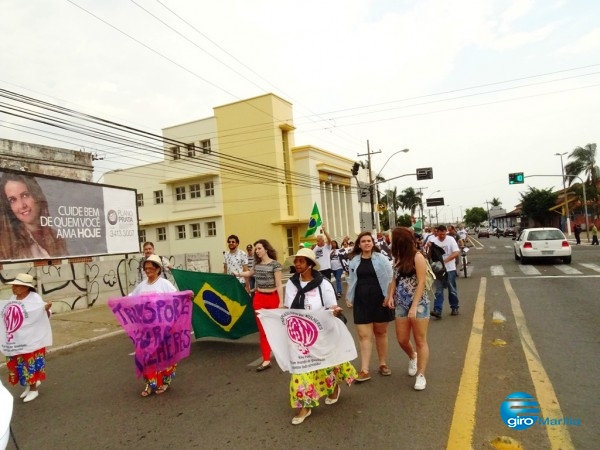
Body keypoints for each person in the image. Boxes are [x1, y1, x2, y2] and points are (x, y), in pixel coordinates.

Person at [284, 248, 357, 425]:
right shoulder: (291, 284)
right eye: (296, 261)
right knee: (301, 368)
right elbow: (289, 308)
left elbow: (332, 307)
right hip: (299, 334)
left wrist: (334, 311)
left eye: (301, 261)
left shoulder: (323, 284)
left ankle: (333, 389)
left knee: (326, 365)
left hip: (322, 332)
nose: (297, 264)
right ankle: (305, 405)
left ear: (310, 264)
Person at [345, 231, 394, 381]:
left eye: (369, 241)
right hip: (361, 301)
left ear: (373, 243)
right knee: (363, 335)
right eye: (363, 241)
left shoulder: (382, 259)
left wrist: (389, 297)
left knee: (380, 332)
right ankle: (364, 370)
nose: (366, 243)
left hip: (380, 300)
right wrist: (349, 297)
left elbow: (391, 278)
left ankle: (383, 364)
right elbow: (351, 280)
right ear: (359, 244)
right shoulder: (354, 261)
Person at [386, 228, 430, 391]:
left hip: (419, 304)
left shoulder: (418, 257)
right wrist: (391, 296)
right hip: (401, 303)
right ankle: (413, 356)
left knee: (420, 339)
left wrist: (414, 306)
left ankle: (421, 374)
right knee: (402, 339)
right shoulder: (397, 258)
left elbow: (421, 282)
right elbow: (394, 279)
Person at [130, 255, 178, 396]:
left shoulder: (164, 284)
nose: (148, 271)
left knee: (162, 355)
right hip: (146, 329)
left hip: (163, 327)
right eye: (146, 268)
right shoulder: (142, 285)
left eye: (151, 268)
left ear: (158, 269)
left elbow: (177, 298)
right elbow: (132, 298)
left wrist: (187, 295)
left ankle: (163, 382)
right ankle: (150, 384)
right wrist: (117, 302)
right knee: (147, 356)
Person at [1, 273, 52, 403]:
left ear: (26, 288)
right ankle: (30, 386)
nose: (14, 288)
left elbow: (42, 313)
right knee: (20, 364)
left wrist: (45, 309)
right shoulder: (13, 297)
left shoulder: (34, 298)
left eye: (17, 286)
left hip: (31, 339)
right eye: (14, 286)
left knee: (29, 364)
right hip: (18, 338)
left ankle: (34, 388)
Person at [234, 239, 283, 371]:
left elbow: (279, 285)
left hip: (272, 298)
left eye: (259, 248)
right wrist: (237, 273)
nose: (257, 251)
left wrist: (281, 302)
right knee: (263, 331)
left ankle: (282, 353)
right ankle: (266, 359)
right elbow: (249, 273)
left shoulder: (275, 265)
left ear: (266, 249)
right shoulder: (257, 265)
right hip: (259, 298)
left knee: (275, 328)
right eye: (256, 249)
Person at [0, 173, 67, 260]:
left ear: (37, 195)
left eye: (25, 195)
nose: (21, 205)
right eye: (13, 200)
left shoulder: (56, 237)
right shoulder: (5, 245)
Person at [428, 225, 461, 318]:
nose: (442, 236)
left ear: (446, 232)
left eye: (443, 234)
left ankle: (454, 307)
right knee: (438, 290)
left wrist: (445, 261)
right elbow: (429, 255)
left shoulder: (451, 239)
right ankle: (437, 310)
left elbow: (456, 252)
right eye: (440, 234)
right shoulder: (433, 241)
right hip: (438, 270)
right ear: (437, 232)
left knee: (452, 289)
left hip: (450, 269)